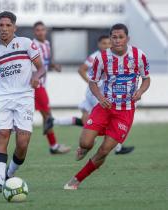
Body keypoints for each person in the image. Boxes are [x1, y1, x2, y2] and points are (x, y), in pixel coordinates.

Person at [64, 23, 151, 190]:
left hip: (125, 112)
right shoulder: (101, 58)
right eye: (114, 37)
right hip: (105, 107)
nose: (117, 40)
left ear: (127, 38)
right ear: (110, 38)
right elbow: (93, 82)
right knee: (85, 142)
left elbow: (146, 79)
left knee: (104, 150)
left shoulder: (139, 56)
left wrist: (140, 91)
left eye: (121, 37)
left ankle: (76, 180)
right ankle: (84, 148)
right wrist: (100, 97)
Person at [0, 11, 45, 193]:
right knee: (2, 134)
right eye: (1, 26)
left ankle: (10, 174)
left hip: (25, 97)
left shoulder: (26, 43)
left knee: (22, 143)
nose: (4, 29)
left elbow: (42, 67)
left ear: (14, 27)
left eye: (8, 25)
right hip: (2, 96)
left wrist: (36, 76)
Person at [51, 35, 135, 155]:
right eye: (104, 43)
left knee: (87, 121)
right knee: (106, 118)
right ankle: (113, 147)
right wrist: (91, 83)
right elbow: (81, 70)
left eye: (108, 43)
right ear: (99, 44)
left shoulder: (112, 56)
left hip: (100, 93)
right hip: (96, 93)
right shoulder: (95, 56)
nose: (106, 45)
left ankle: (55, 121)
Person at [32, 21, 70, 154]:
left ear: (46, 31)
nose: (40, 32)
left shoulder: (46, 44)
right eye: (38, 30)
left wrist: (54, 66)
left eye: (42, 29)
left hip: (41, 85)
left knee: (44, 116)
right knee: (48, 116)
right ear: (34, 32)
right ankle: (54, 146)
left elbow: (47, 61)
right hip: (36, 86)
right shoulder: (32, 46)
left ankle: (53, 145)